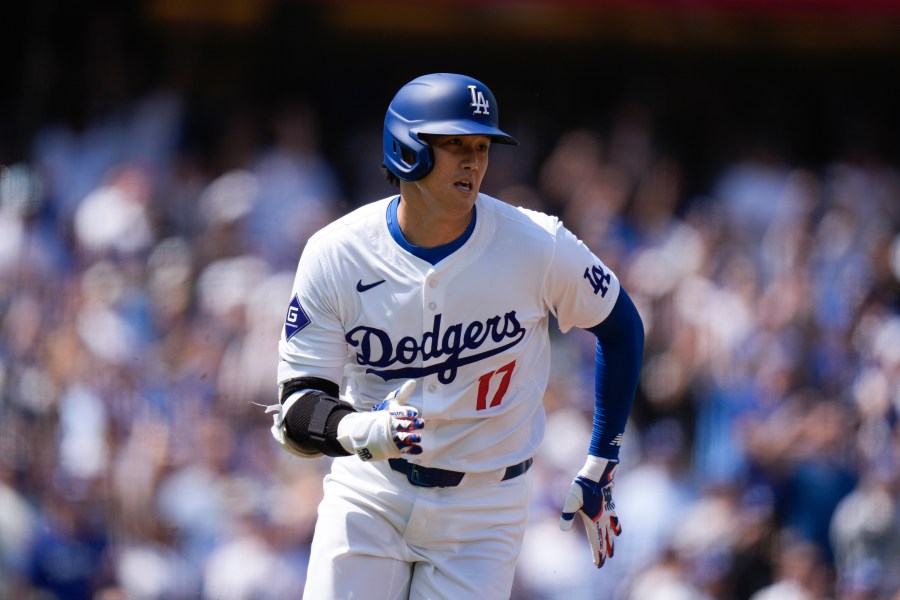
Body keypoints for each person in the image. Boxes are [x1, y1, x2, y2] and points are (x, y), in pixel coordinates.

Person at [266, 72, 645, 599]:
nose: (474, 161)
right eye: (455, 145)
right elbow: (298, 411)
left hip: (485, 510)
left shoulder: (536, 243)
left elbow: (622, 326)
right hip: (372, 492)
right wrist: (365, 431)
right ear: (406, 149)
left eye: (482, 146)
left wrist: (603, 459)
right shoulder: (337, 251)